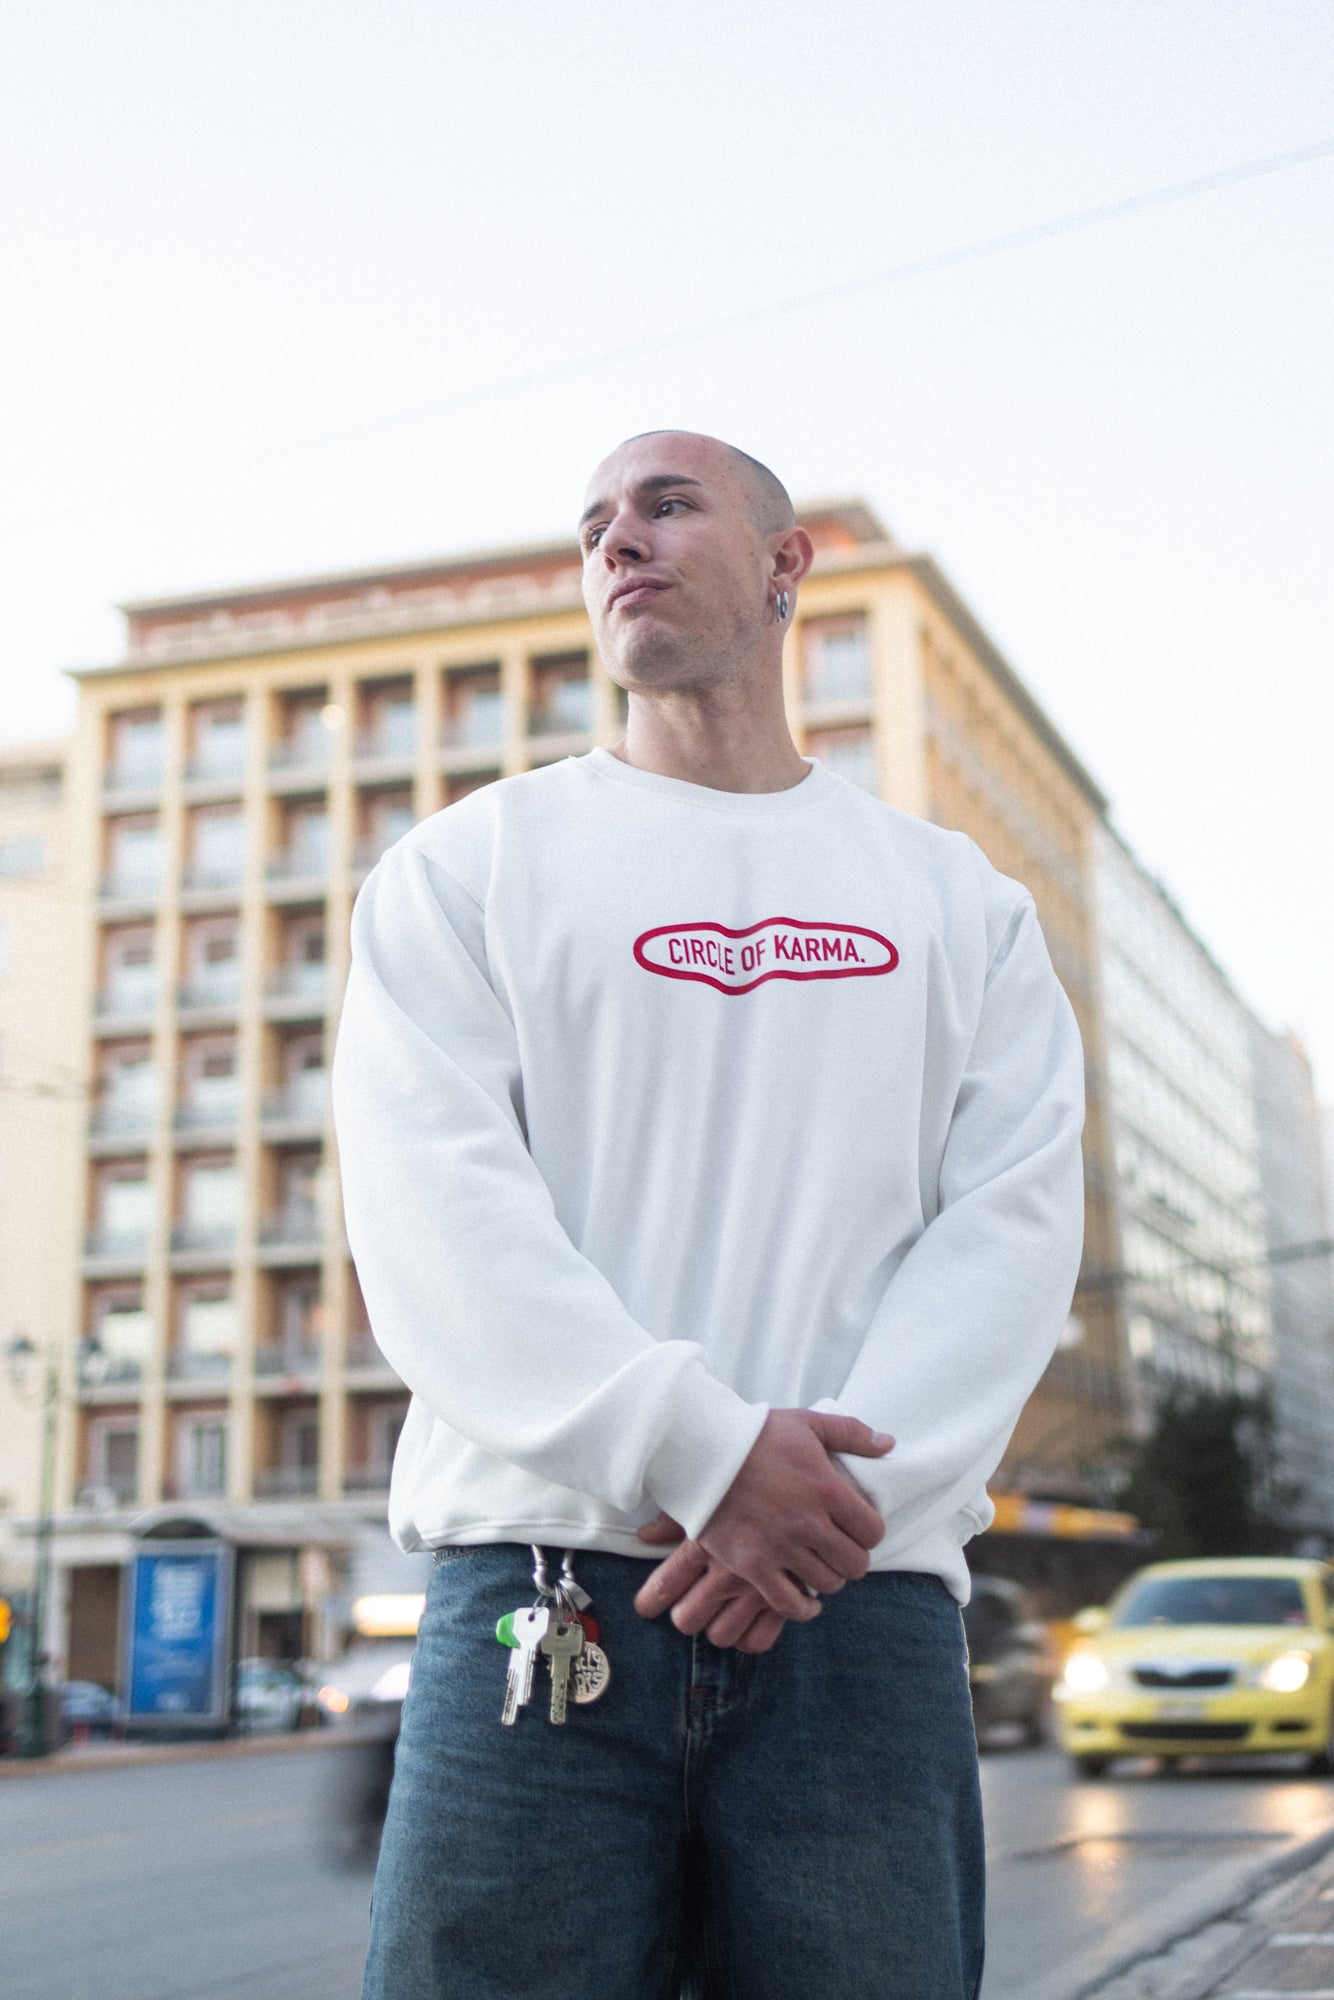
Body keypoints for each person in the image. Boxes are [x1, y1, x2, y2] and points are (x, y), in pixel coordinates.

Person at [332, 430, 1085, 2000]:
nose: (619, 539)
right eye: (594, 521)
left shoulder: (956, 903)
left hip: (856, 1615)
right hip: (540, 1599)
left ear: (787, 561)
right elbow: (434, 1208)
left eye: (667, 504)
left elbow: (1007, 1231)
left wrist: (806, 1513)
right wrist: (710, 1457)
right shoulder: (466, 867)